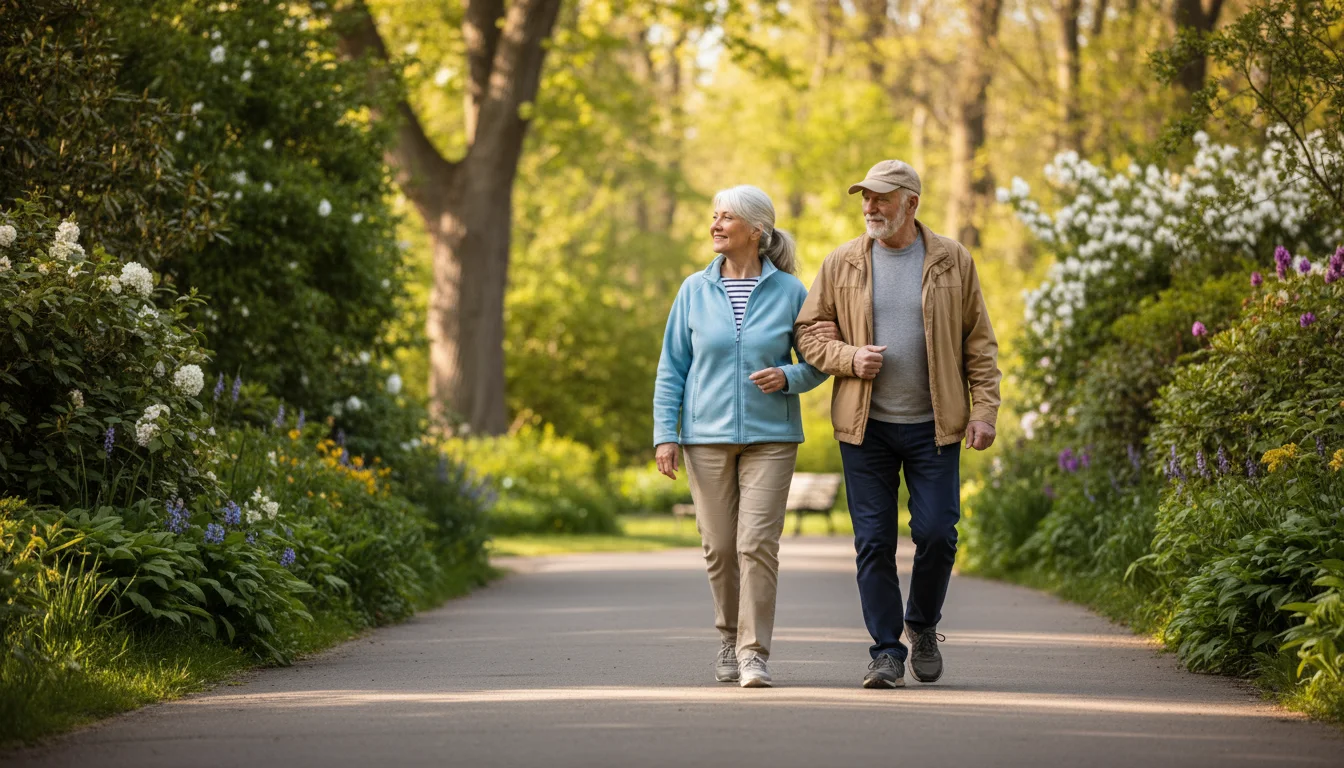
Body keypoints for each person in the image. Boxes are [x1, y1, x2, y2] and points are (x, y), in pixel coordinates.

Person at [794, 160, 1001, 689]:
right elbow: (810, 332)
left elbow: (979, 343)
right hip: (867, 429)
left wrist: (984, 411)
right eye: (865, 197)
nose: (870, 207)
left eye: (882, 198)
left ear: (911, 203)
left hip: (936, 425)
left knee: (937, 533)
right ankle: (886, 651)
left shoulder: (952, 260)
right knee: (873, 541)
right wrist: (848, 357)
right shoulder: (841, 262)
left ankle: (922, 625)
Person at [653, 185, 835, 689]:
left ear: (756, 230)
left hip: (771, 437)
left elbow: (818, 360)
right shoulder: (693, 290)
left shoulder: (792, 292)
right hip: (704, 438)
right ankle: (728, 639)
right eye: (713, 216)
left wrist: (788, 377)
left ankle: (754, 653)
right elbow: (672, 368)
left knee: (757, 544)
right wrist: (665, 435)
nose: (715, 224)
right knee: (719, 547)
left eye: (725, 217)